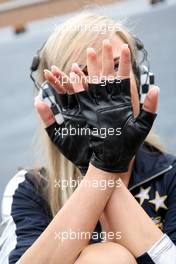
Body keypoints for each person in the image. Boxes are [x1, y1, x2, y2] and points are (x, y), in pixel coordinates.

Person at [0, 13, 176, 264]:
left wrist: (100, 164)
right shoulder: (28, 189)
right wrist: (103, 167)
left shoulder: (171, 175)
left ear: (141, 80)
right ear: (57, 105)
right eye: (82, 74)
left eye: (117, 66)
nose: (103, 88)